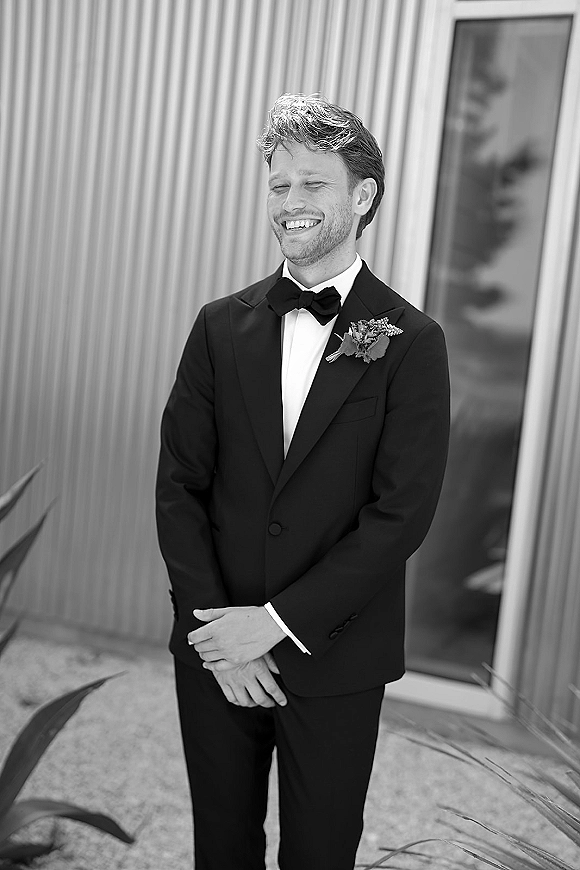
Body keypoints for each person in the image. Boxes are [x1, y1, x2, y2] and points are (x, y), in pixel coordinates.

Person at [155, 93, 450, 870]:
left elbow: (401, 514)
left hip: (337, 656)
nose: (291, 201)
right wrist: (223, 635)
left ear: (363, 196)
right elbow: (179, 485)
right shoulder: (219, 325)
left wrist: (276, 624)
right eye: (279, 184)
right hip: (218, 648)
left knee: (320, 855)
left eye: (313, 183)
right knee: (222, 849)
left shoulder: (410, 341)